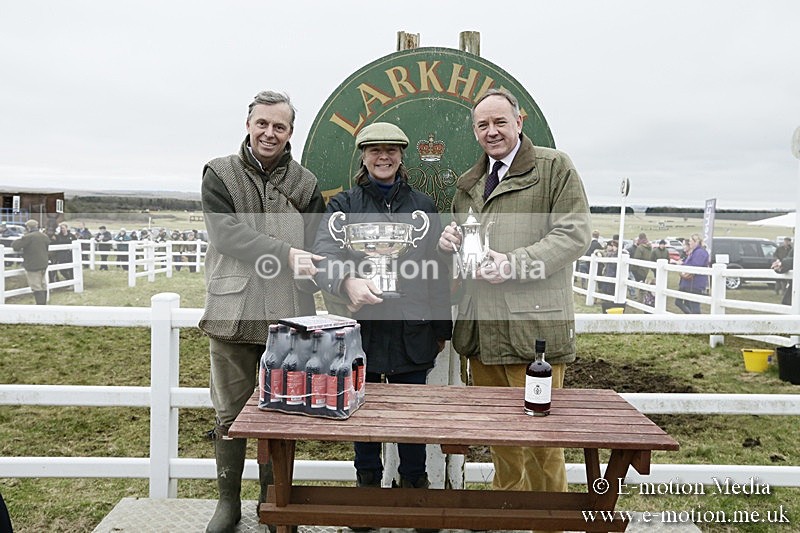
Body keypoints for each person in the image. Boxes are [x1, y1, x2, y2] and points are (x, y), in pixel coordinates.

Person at [437, 89, 591, 503]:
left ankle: (550, 524)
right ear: (475, 131)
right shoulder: (468, 185)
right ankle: (506, 516)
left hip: (533, 330)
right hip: (482, 332)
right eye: (483, 125)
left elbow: (574, 234)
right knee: (501, 440)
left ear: (519, 122)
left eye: (500, 122)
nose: (492, 132)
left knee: (543, 441)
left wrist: (513, 263)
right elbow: (467, 255)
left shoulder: (554, 168)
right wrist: (451, 241)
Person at [199, 90, 325, 533]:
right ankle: (227, 503)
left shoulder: (306, 184)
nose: (270, 133)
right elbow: (227, 235)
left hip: (287, 314)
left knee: (283, 411)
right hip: (232, 311)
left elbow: (318, 242)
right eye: (263, 124)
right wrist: (287, 253)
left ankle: (271, 503)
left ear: (292, 132)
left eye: (280, 126)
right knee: (230, 413)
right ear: (249, 124)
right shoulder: (220, 173)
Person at [312, 122, 452, 507]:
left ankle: (413, 486)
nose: (383, 157)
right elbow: (325, 259)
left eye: (391, 150)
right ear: (363, 156)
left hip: (413, 328)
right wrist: (346, 282)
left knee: (413, 417)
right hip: (362, 331)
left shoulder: (423, 207)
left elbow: (438, 272)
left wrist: (441, 329)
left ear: (402, 155)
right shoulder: (344, 206)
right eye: (375, 150)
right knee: (362, 414)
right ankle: (368, 487)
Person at [11, 219, 51, 305]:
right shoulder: (44, 236)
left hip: (33, 265)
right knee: (43, 285)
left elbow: (15, 246)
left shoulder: (28, 237)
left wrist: (24, 235)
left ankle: (40, 306)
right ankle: (44, 306)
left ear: (28, 227)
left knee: (36, 286)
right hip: (43, 263)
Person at [675, 233, 709, 314]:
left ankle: (697, 324)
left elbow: (695, 265)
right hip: (690, 283)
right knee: (689, 304)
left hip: (695, 283)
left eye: (690, 241)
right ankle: (692, 323)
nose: (689, 243)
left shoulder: (700, 252)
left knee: (694, 306)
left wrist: (682, 265)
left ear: (695, 242)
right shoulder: (695, 252)